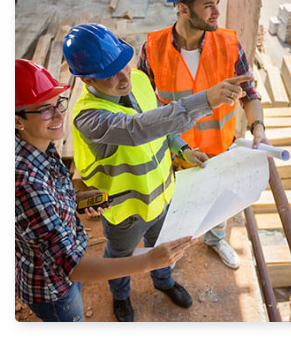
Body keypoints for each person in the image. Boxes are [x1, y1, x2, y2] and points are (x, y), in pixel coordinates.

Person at [62, 23, 252, 322]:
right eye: (111, 74)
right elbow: (138, 129)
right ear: (87, 79)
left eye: (123, 65)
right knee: (120, 258)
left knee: (163, 247)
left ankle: (164, 282)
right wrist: (205, 100)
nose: (124, 77)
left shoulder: (137, 80)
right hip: (126, 209)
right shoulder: (89, 117)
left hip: (164, 195)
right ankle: (121, 297)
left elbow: (157, 120)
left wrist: (182, 148)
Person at [15, 59, 197, 323]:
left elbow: (46, 204)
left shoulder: (39, 144)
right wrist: (149, 262)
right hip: (53, 287)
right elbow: (72, 268)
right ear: (18, 121)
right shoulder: (26, 183)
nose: (58, 115)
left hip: (157, 199)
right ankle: (121, 296)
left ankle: (163, 281)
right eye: (45, 110)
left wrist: (74, 200)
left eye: (58, 104)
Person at [138, 0, 269, 270]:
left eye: (217, 4)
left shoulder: (229, 44)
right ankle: (171, 252)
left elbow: (250, 94)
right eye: (208, 5)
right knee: (174, 208)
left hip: (219, 149)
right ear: (183, 9)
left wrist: (259, 128)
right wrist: (175, 145)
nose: (216, 12)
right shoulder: (152, 47)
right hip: (172, 152)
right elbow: (144, 106)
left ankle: (215, 238)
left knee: (218, 204)